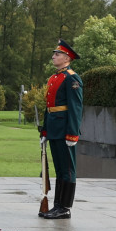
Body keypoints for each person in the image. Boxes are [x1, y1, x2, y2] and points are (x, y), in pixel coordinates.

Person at [38, 39, 83, 220]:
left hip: (65, 130)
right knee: (59, 169)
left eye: (57, 54)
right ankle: (57, 206)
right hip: (55, 129)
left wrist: (72, 133)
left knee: (67, 170)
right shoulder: (55, 77)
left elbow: (76, 108)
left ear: (66, 58)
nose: (53, 56)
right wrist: (45, 130)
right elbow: (49, 107)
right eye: (54, 53)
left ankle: (65, 207)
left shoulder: (72, 78)